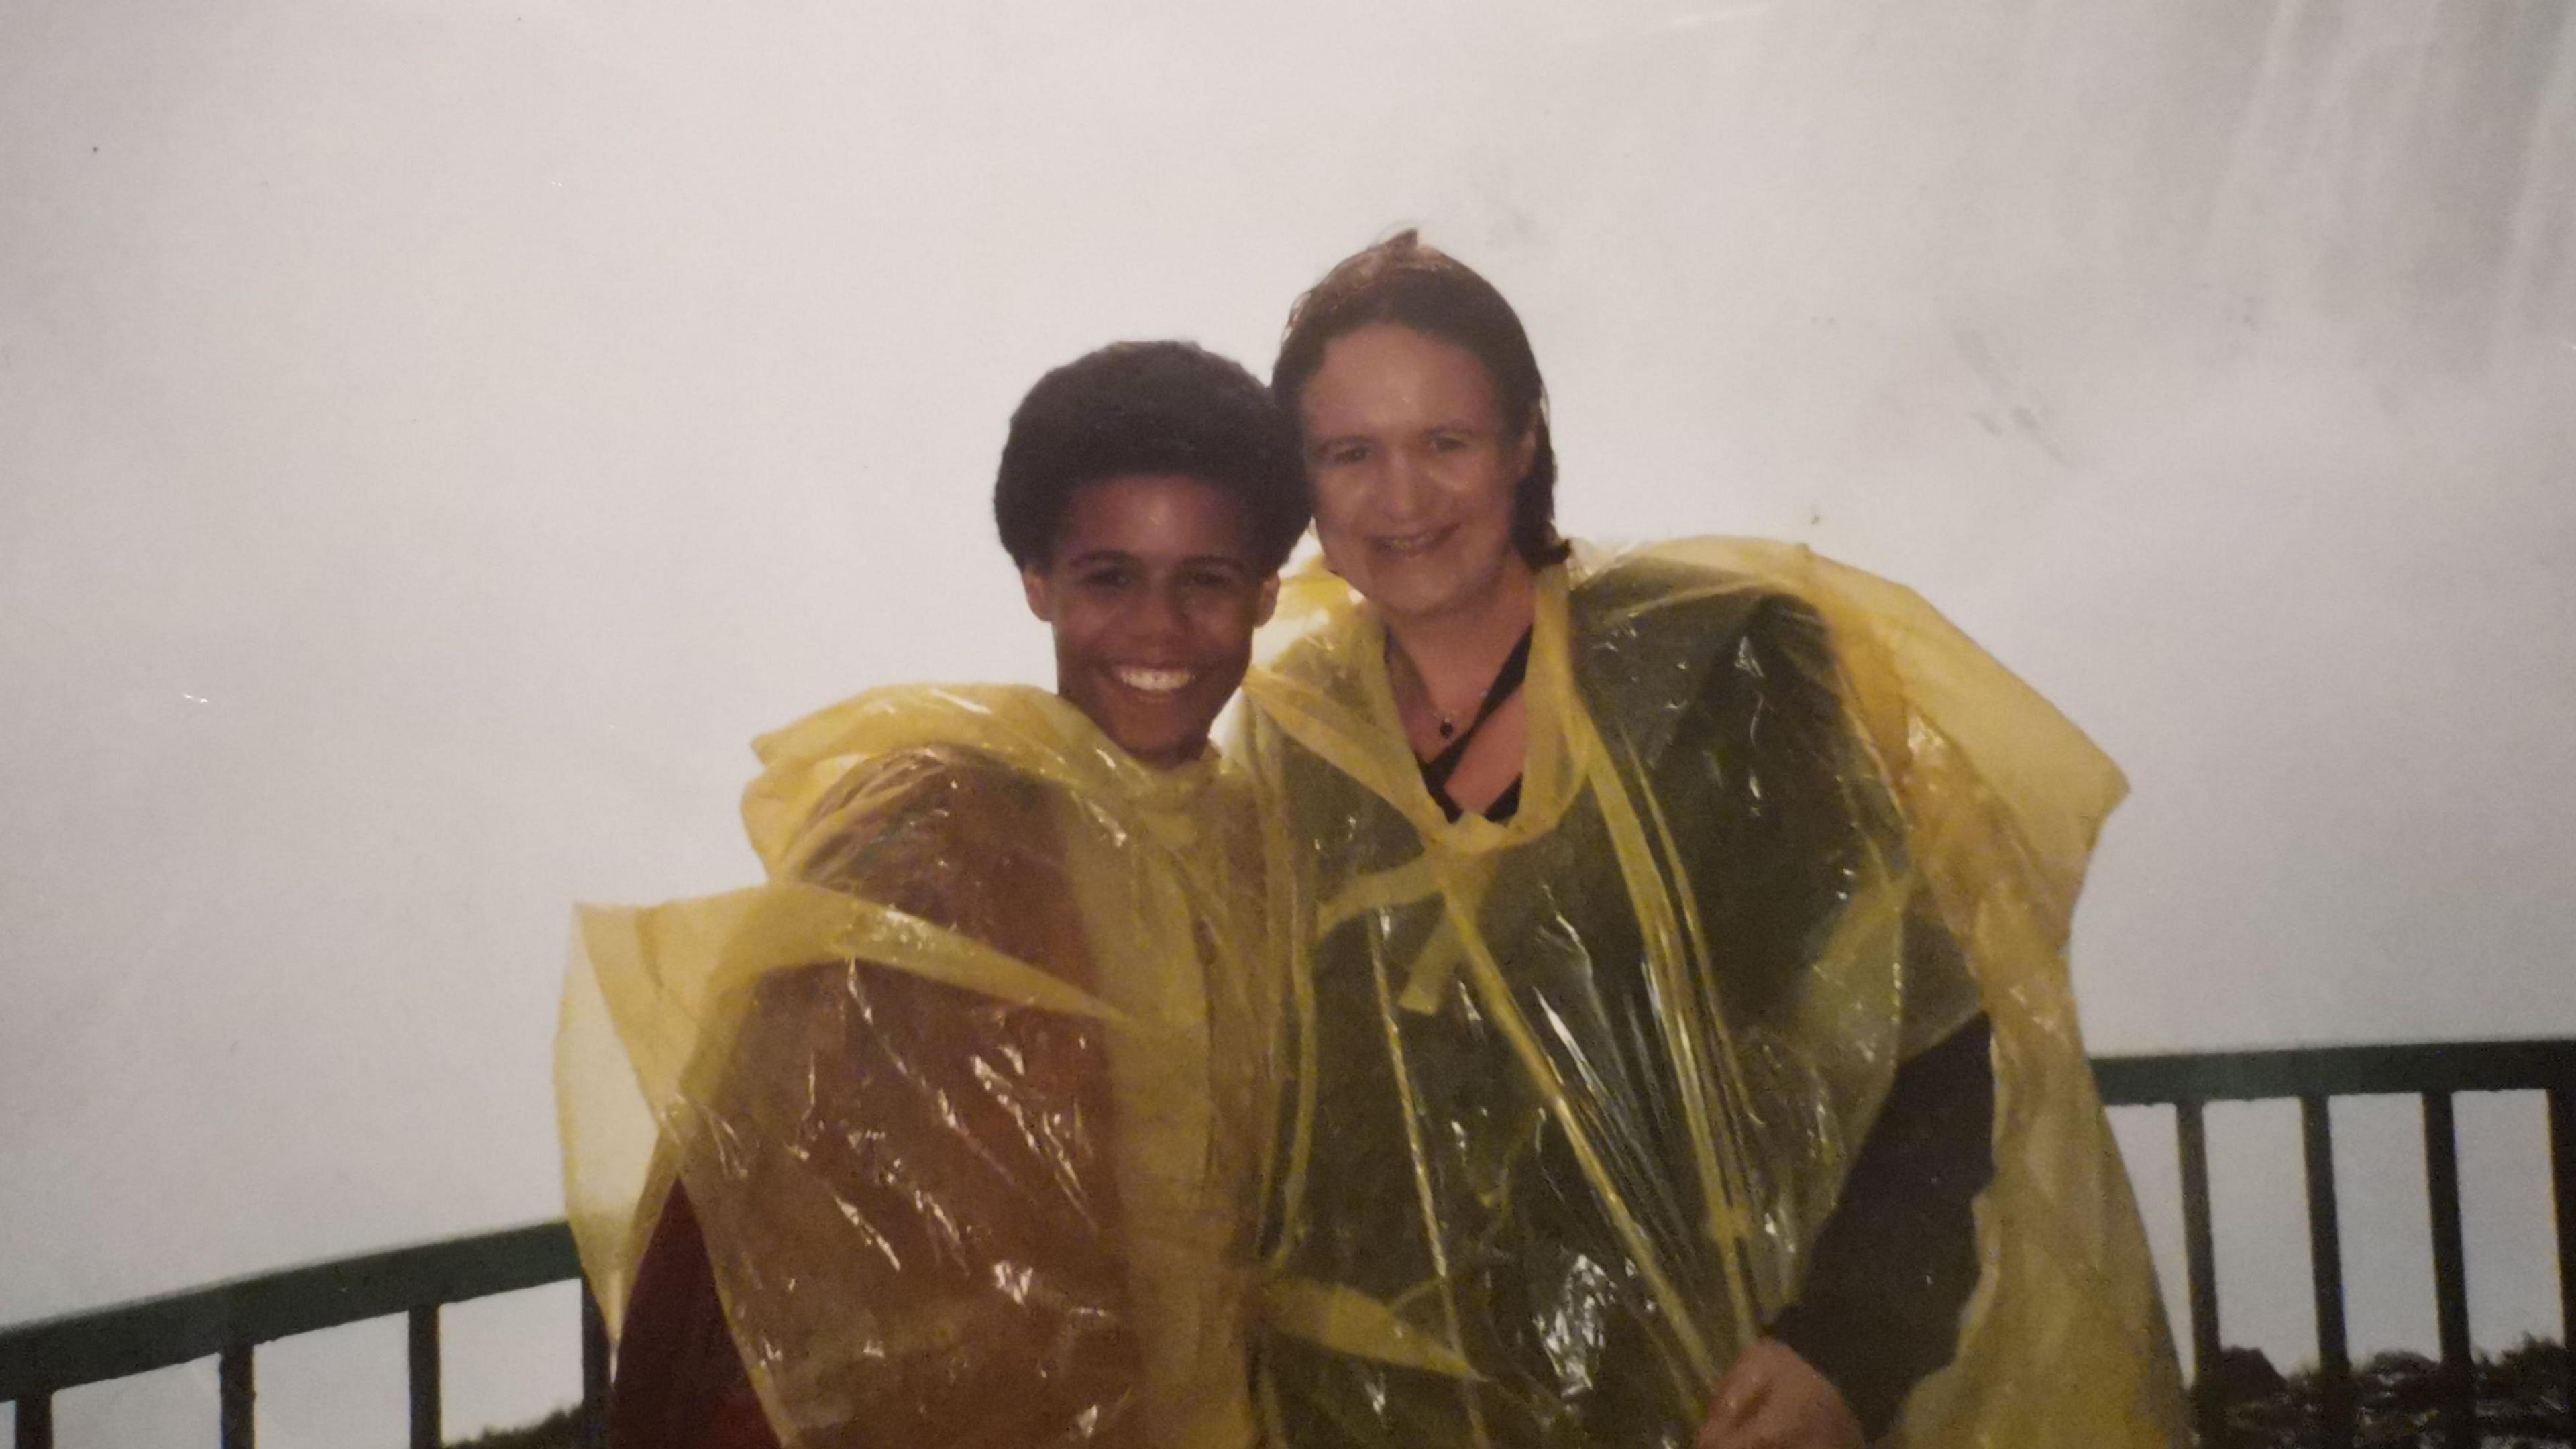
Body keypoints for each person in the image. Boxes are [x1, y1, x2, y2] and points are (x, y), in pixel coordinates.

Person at [1234, 233, 2189, 1448]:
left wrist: (1849, 1345)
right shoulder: (1295, 742)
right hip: (1389, 1412)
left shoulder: (1713, 668)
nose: (1403, 497)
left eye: (1446, 443)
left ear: (1525, 443)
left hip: (1718, 1399)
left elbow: (1926, 1041)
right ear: (1300, 480)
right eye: (1351, 454)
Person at [555, 340, 1308, 1449]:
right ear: (1038, 581)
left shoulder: (1260, 842)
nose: (1158, 627)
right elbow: (740, 1197)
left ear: (1265, 593)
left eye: (1206, 581)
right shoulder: (929, 828)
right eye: (1110, 577)